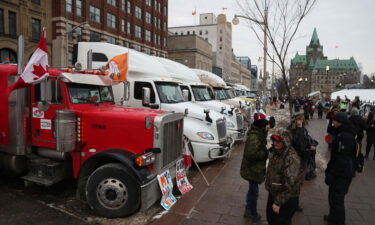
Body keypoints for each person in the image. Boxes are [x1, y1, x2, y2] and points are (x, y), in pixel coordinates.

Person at [265, 128, 302, 225]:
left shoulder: (291, 157)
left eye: (279, 141)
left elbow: (290, 184)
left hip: (285, 199)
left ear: (285, 141)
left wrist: (278, 202)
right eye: (275, 140)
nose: (276, 143)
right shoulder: (277, 152)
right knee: (271, 219)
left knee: (280, 221)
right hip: (275, 193)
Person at [324, 112, 356, 225]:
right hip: (341, 172)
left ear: (340, 122)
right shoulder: (342, 133)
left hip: (342, 174)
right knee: (333, 198)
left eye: (334, 121)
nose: (333, 123)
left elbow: (342, 160)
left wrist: (332, 174)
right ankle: (333, 218)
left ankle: (338, 222)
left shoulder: (345, 137)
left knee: (337, 200)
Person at [240, 119, 270, 223]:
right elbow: (251, 154)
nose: (268, 128)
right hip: (251, 170)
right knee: (254, 193)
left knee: (252, 190)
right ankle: (253, 215)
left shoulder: (259, 134)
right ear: (262, 127)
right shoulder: (254, 137)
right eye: (266, 126)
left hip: (254, 169)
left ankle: (248, 209)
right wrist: (265, 154)